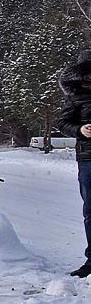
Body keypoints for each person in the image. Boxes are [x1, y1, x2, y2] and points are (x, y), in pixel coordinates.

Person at [57, 49, 91, 278]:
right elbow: (63, 123)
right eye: (86, 74)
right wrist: (80, 130)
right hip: (88, 159)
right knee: (90, 210)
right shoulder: (75, 96)